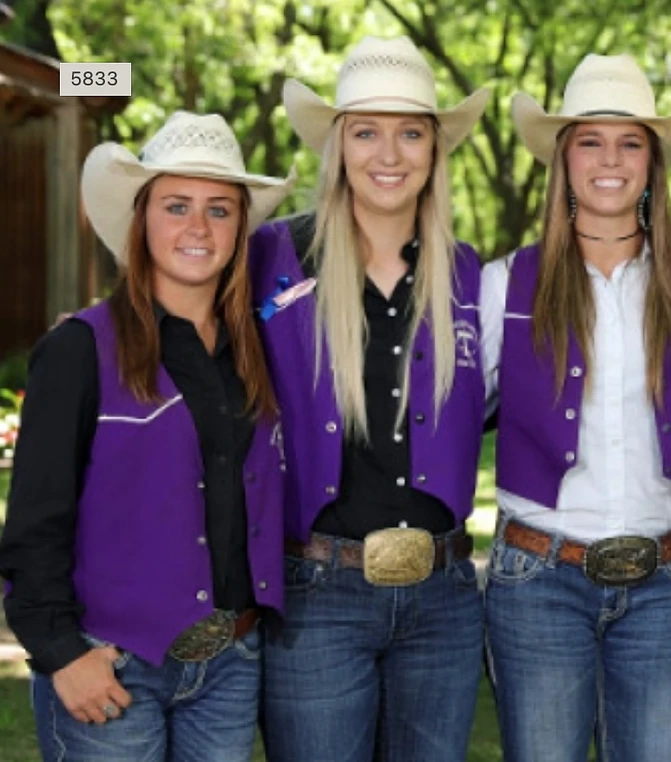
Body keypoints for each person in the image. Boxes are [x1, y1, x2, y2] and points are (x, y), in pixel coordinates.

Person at [0, 111, 292, 761]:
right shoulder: (79, 349)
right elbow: (34, 525)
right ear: (141, 219)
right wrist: (60, 653)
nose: (197, 227)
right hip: (112, 665)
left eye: (219, 210)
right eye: (176, 205)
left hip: (231, 664)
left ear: (241, 227)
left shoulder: (258, 353)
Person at [480, 53, 671, 761]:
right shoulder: (508, 283)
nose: (610, 160)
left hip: (663, 580)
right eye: (590, 141)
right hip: (539, 580)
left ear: (653, 165)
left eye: (630, 143)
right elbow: (471, 407)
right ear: (563, 162)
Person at [248, 36, 490, 762]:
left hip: (443, 598)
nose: (390, 153)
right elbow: (194, 341)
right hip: (317, 593)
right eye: (367, 131)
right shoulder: (272, 261)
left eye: (411, 131)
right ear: (338, 146)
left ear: (434, 150)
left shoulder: (469, 277)